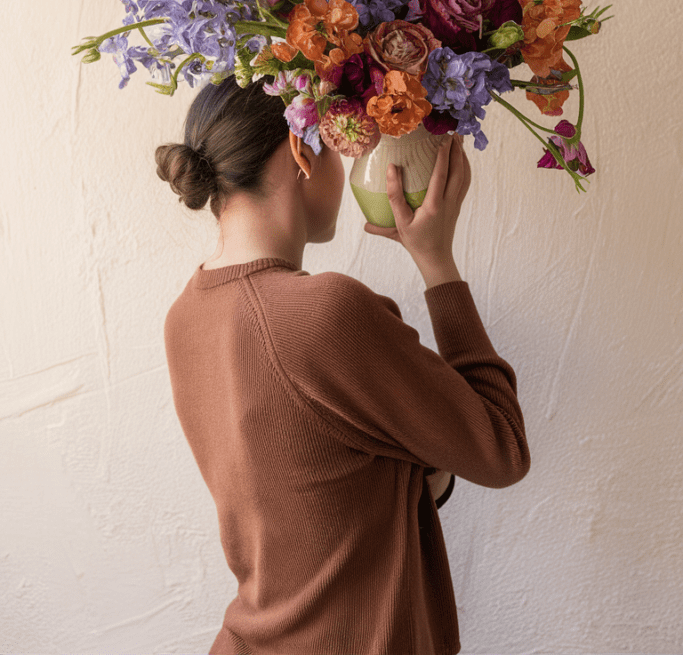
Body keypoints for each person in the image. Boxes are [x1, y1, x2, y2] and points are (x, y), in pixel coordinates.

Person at [157, 76, 530, 655]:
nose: (355, 163)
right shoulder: (326, 314)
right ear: (302, 151)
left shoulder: (185, 316)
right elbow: (501, 448)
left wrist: (415, 470)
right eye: (344, 144)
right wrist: (437, 261)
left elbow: (315, 490)